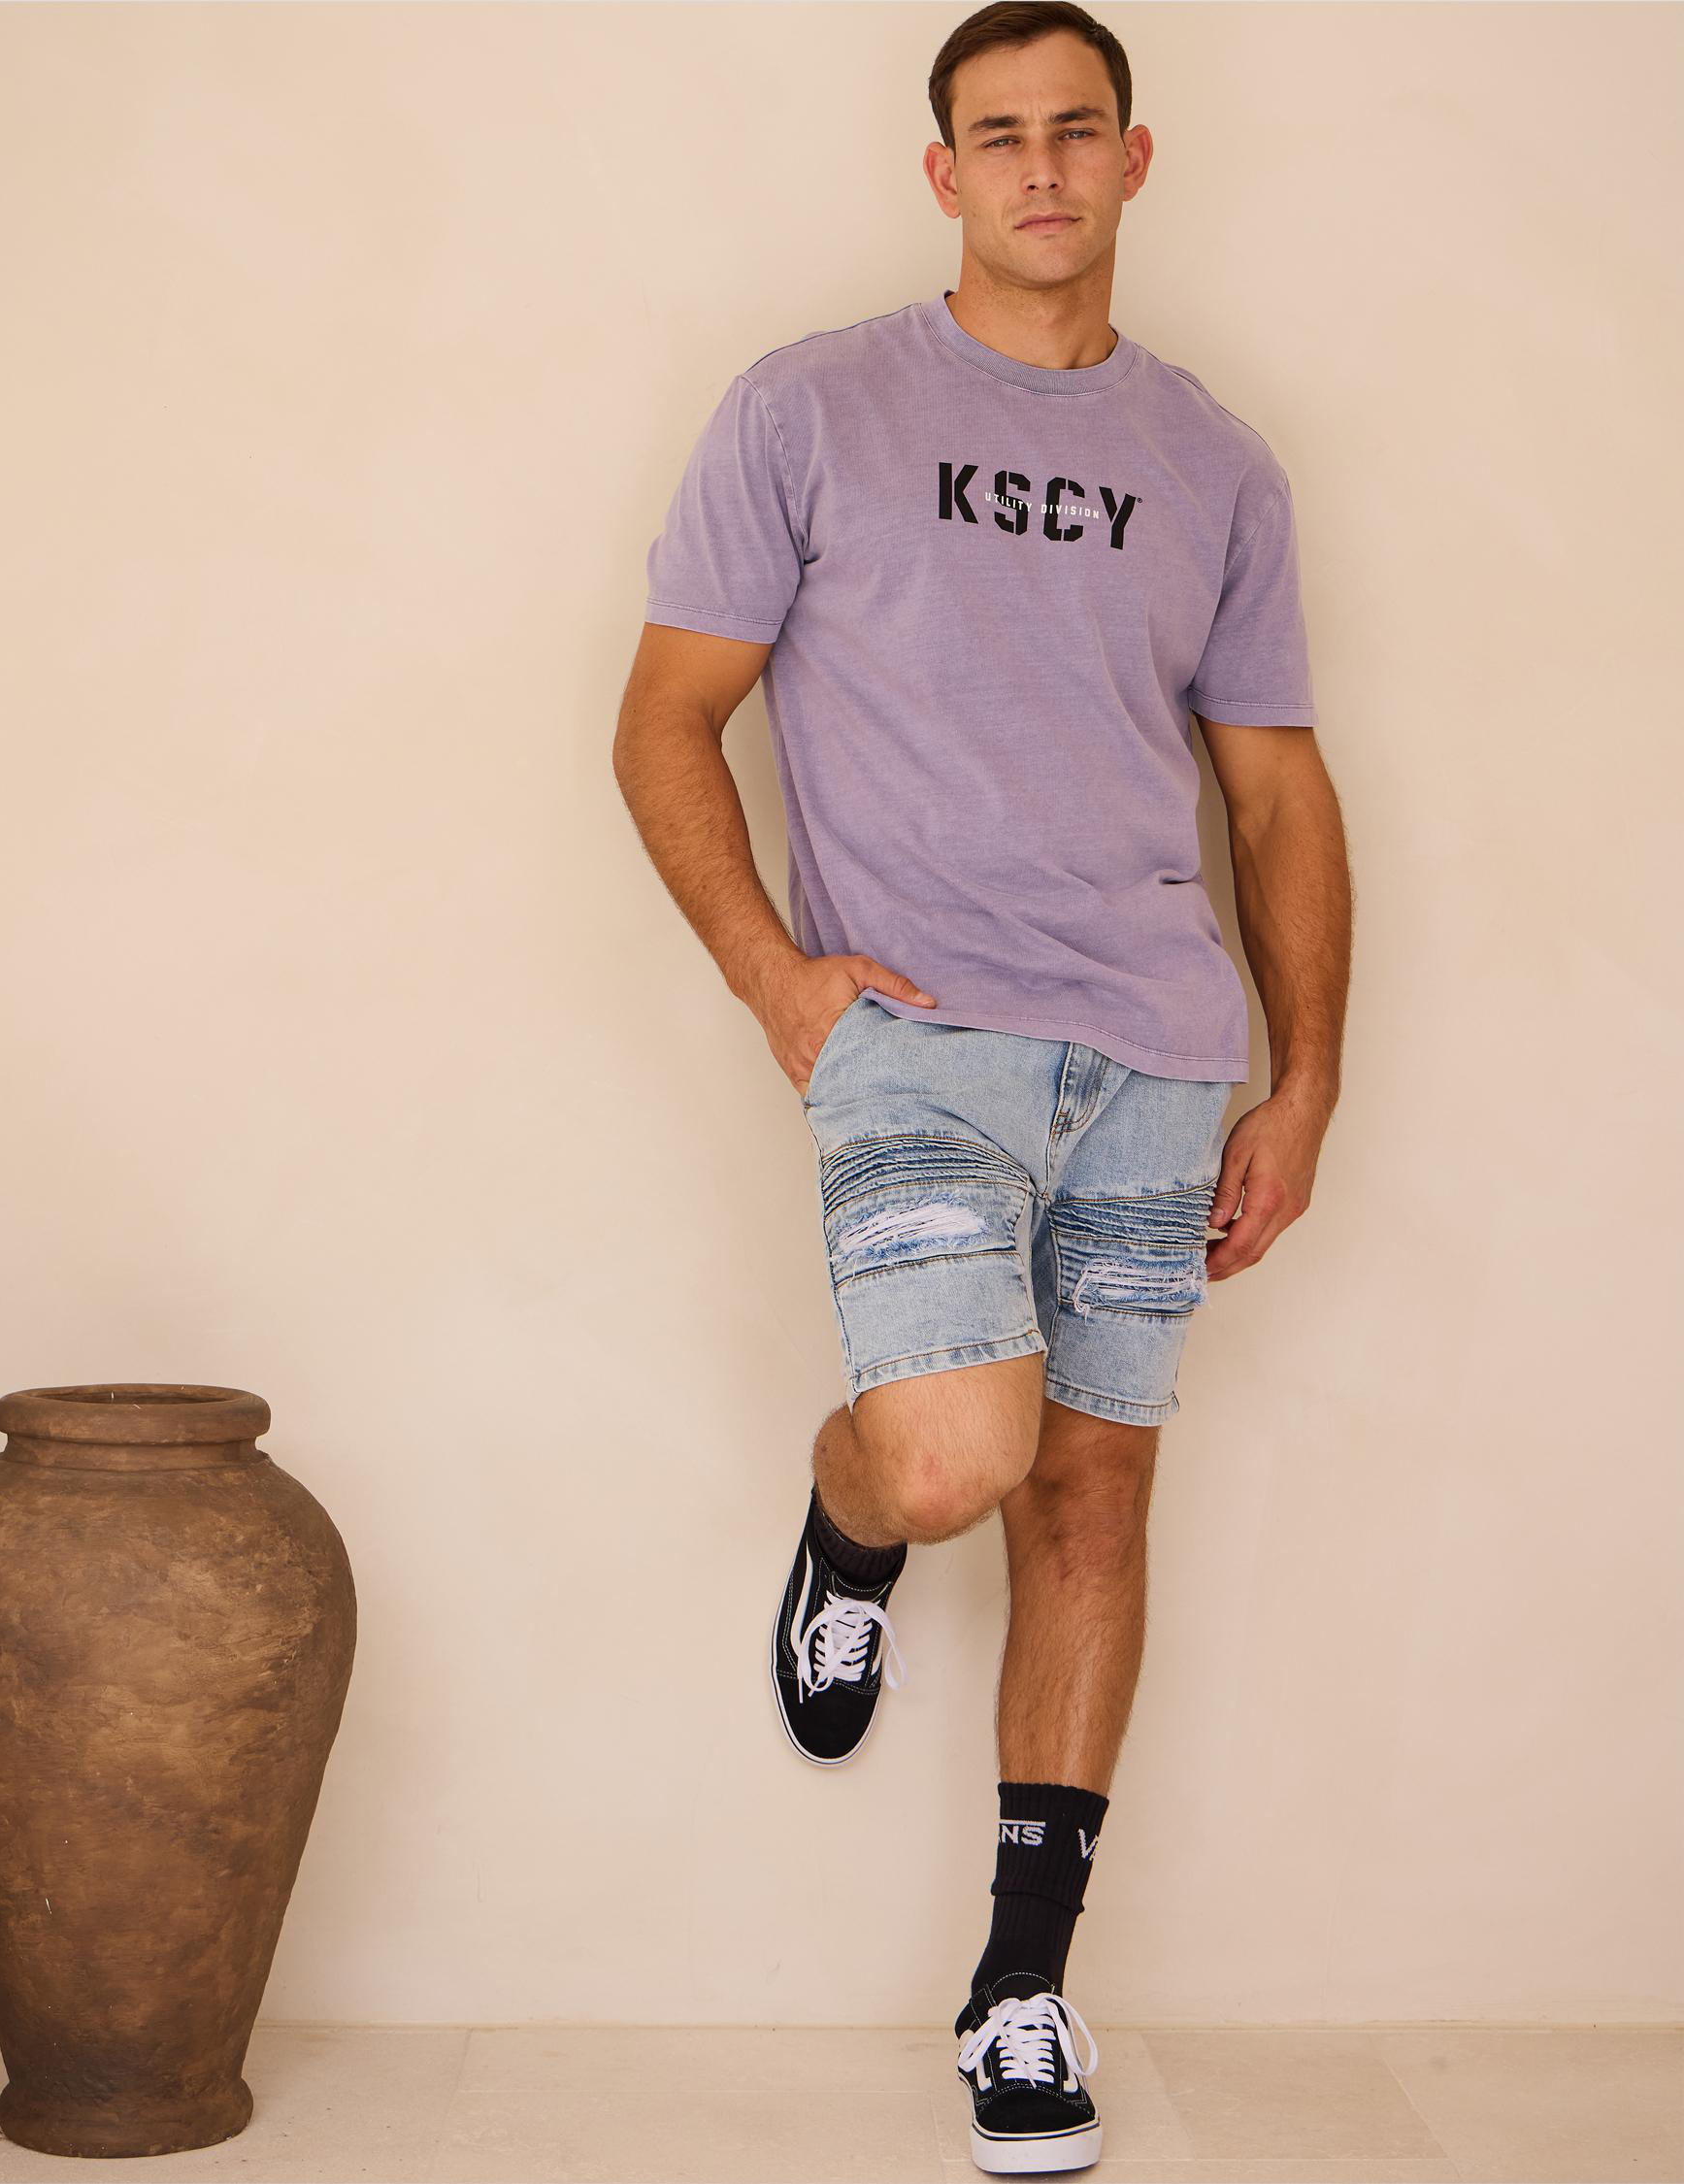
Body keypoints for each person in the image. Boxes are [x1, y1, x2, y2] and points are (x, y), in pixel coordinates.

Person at [612, 3, 1351, 2170]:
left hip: (1156, 1052)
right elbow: (661, 719)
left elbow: (1279, 795)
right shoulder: (812, 406)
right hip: (915, 1031)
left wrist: (1305, 1083)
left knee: (1094, 1502)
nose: (1042, 166)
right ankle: (848, 1525)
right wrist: (778, 984)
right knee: (957, 1457)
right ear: (943, 174)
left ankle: (1022, 1991)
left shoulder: (1219, 462)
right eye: (998, 135)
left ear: (1135, 158)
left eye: (1076, 129)